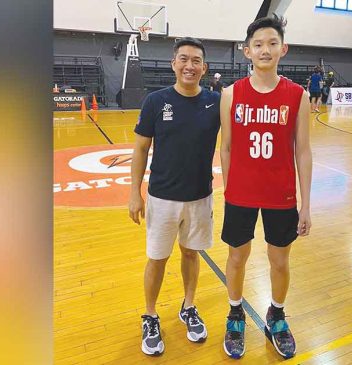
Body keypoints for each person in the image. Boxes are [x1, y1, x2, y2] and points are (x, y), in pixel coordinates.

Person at [219, 13, 312, 360]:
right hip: (240, 195)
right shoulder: (231, 95)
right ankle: (235, 313)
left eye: (272, 43)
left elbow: (302, 151)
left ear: (283, 48)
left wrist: (306, 203)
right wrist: (231, 191)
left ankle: (276, 313)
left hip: (281, 195)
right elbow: (226, 148)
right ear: (247, 51)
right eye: (258, 44)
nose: (265, 49)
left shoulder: (297, 95)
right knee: (237, 257)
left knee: (279, 260)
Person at [128, 37, 220, 356]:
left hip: (200, 197)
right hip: (162, 197)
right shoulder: (155, 101)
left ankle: (189, 307)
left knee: (191, 254)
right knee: (157, 258)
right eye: (183, 59)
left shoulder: (215, 102)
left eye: (196, 61)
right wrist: (134, 194)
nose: (189, 66)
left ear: (204, 68)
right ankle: (150, 315)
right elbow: (140, 149)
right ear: (173, 64)